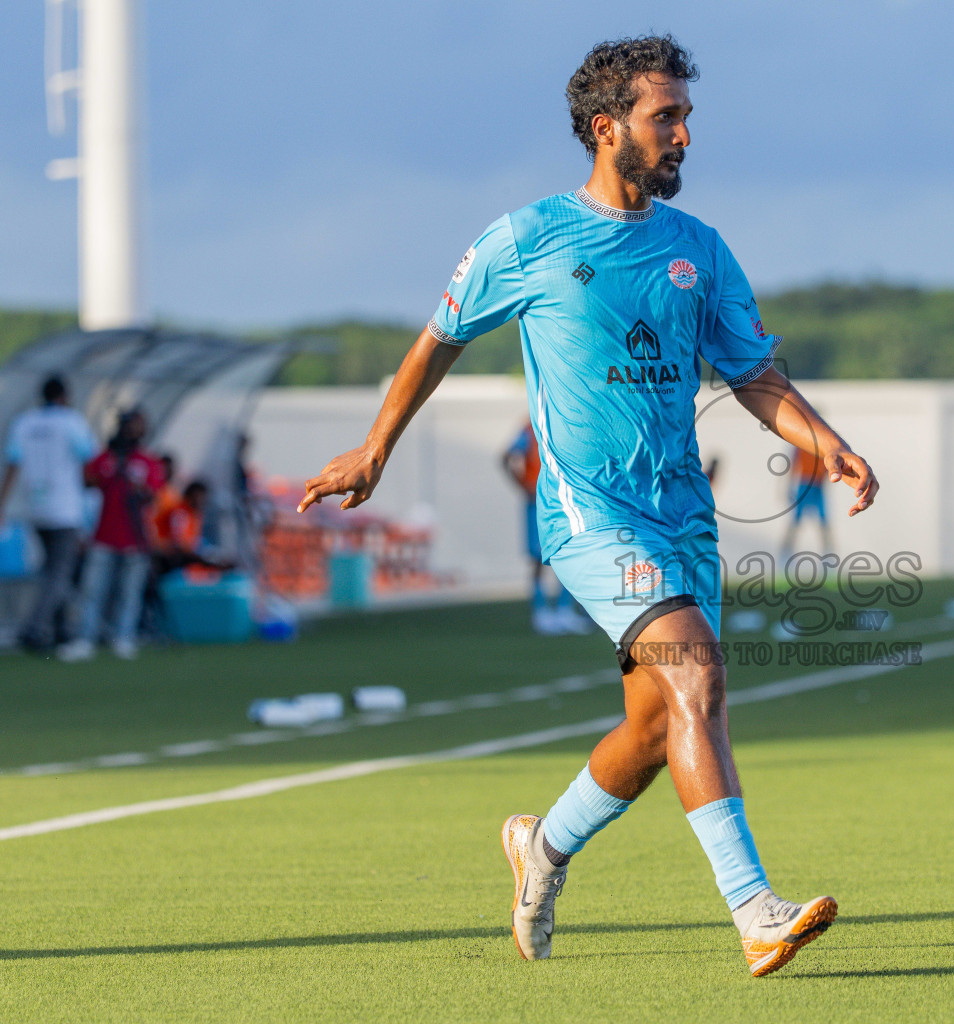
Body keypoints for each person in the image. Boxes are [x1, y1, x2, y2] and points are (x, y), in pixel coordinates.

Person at [297, 36, 878, 977]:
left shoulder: (701, 249)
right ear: (607, 129)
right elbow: (438, 337)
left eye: (687, 116)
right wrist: (375, 447)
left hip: (682, 517)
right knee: (698, 678)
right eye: (667, 117)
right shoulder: (527, 239)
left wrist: (825, 440)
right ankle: (754, 910)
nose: (685, 134)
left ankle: (544, 848)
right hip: (587, 515)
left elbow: (753, 374)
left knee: (655, 730)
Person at [0, 376, 97, 652]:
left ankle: (62, 631)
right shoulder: (71, 422)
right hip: (64, 508)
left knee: (51, 570)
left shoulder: (24, 422)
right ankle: (34, 627)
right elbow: (90, 461)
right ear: (64, 396)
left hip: (34, 506)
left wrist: (2, 504)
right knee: (60, 573)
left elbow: (12, 465)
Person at [59, 408, 164, 661]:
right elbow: (87, 480)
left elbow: (152, 496)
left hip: (135, 538)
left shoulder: (147, 462)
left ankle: (123, 637)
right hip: (104, 536)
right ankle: (85, 638)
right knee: (93, 589)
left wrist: (135, 485)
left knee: (129, 592)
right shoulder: (107, 457)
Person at [502, 420, 586, 635]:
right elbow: (507, 456)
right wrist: (523, 485)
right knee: (538, 557)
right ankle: (541, 612)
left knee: (569, 552)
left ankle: (564, 609)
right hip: (538, 500)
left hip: (565, 500)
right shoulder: (531, 426)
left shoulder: (568, 419)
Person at [780, 445, 832, 558]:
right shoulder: (800, 445)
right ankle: (786, 551)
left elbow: (828, 465)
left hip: (818, 485)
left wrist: (826, 478)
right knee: (796, 518)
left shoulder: (822, 445)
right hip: (804, 483)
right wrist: (789, 486)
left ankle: (829, 552)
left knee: (823, 519)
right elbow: (794, 463)